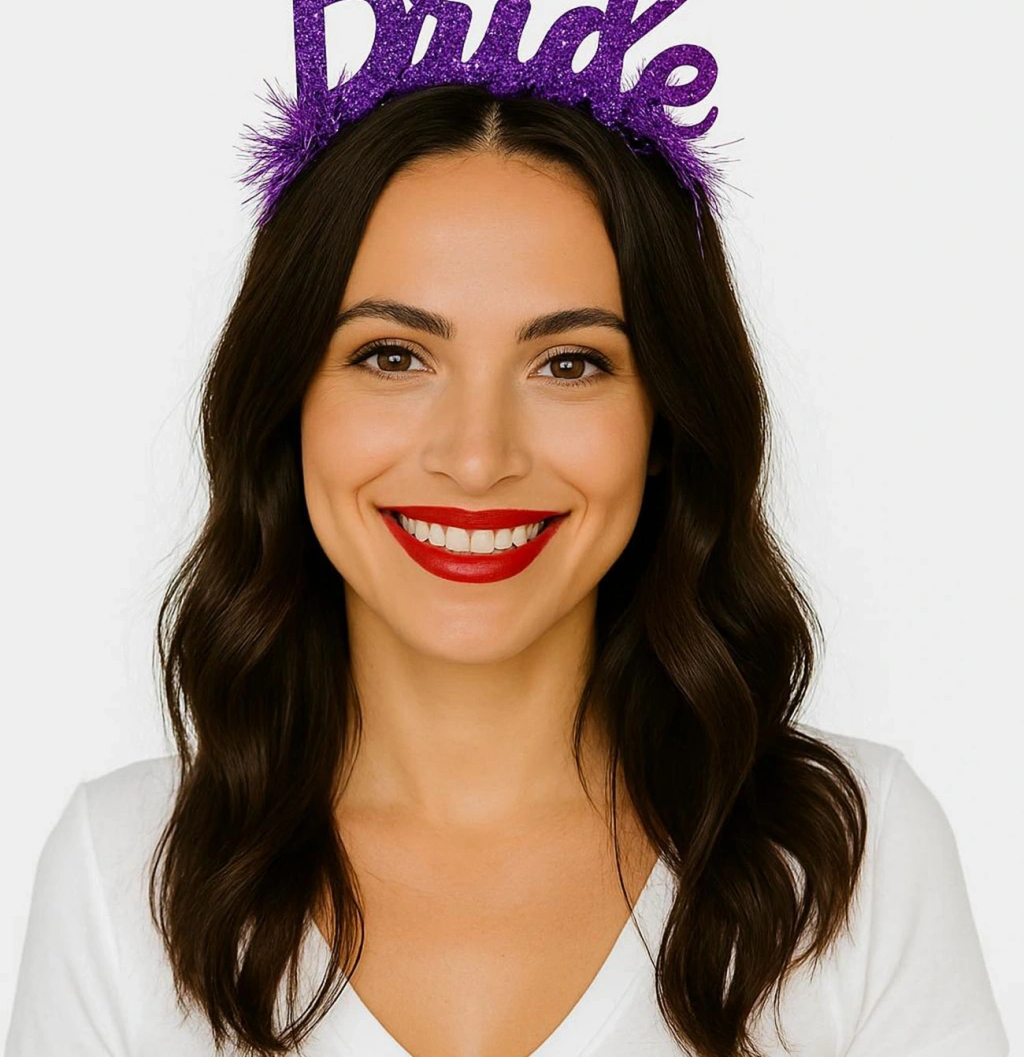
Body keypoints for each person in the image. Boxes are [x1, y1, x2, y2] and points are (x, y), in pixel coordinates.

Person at [4, 84, 1010, 1057]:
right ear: (287, 405)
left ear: (664, 423)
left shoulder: (847, 857)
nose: (478, 458)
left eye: (569, 363)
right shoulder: (122, 870)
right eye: (393, 356)